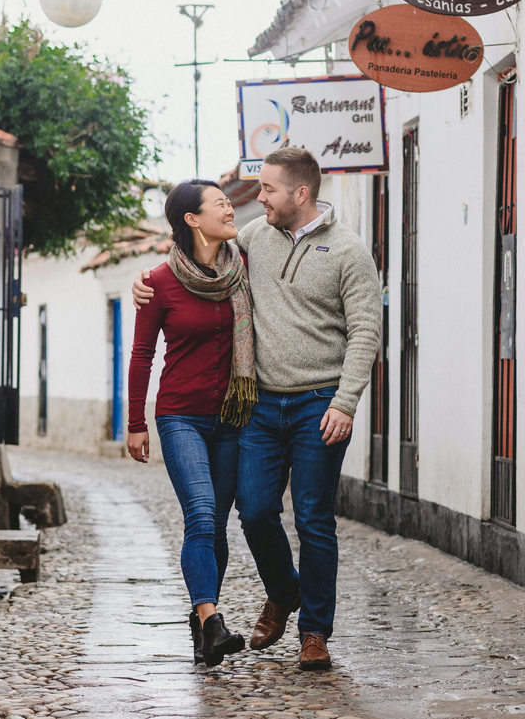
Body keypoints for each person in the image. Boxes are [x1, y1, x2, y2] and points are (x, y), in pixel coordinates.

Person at [135, 149, 382, 670]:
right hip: (260, 403)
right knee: (254, 510)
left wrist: (346, 401)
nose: (258, 199)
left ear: (300, 194)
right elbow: (197, 257)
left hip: (320, 403)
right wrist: (146, 282)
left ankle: (313, 631)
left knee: (314, 518)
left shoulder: (349, 252)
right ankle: (282, 590)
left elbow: (366, 332)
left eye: (267, 190)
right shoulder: (253, 240)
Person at [126, 179, 256, 668]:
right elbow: (142, 355)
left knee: (216, 527)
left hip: (232, 415)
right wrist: (135, 421)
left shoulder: (242, 267)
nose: (229, 206)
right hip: (180, 415)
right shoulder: (158, 282)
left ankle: (204, 628)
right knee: (200, 512)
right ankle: (212, 618)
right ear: (192, 220)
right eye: (219, 202)